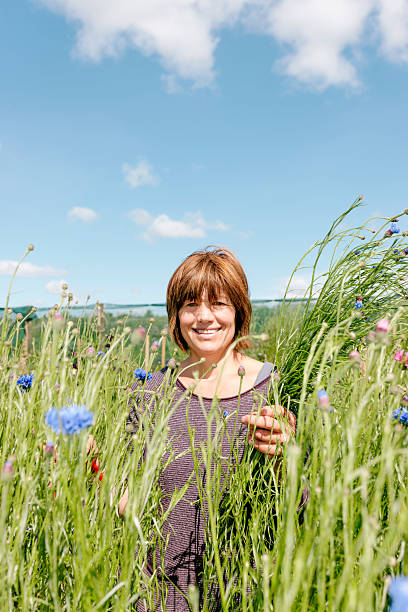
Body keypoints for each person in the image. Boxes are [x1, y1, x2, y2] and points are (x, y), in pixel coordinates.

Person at [120, 247, 298, 610]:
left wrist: (284, 458)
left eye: (218, 303)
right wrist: (89, 473)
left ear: (239, 311)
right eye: (190, 305)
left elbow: (303, 504)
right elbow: (127, 498)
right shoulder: (151, 391)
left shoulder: (277, 388)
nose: (204, 317)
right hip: (162, 596)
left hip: (250, 594)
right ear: (176, 316)